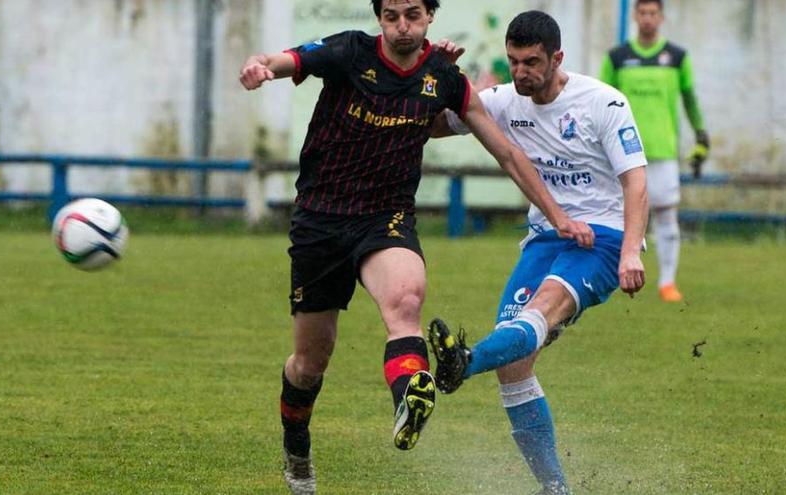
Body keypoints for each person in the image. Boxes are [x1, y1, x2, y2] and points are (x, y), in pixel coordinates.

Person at [238, 1, 588, 493]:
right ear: (379, 19)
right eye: (393, 15)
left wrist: (558, 216)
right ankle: (297, 446)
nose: (403, 25)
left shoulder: (444, 78)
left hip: (386, 218)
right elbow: (287, 61)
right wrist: (261, 67)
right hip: (321, 219)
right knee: (309, 363)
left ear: (429, 17)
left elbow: (507, 153)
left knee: (405, 302)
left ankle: (409, 401)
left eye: (413, 14)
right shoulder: (348, 52)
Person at [428, 11, 648, 495]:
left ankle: (462, 361)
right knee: (514, 364)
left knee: (542, 310)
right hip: (545, 236)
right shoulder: (506, 100)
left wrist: (631, 252)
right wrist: (434, 74)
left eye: (531, 62)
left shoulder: (602, 103)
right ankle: (555, 488)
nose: (520, 72)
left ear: (557, 58)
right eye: (513, 62)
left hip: (604, 238)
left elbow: (635, 182)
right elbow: (432, 126)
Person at [599, 0, 709, 303]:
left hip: (662, 150)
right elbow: (599, 102)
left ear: (661, 17)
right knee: (619, 216)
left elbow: (690, 100)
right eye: (642, 13)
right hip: (621, 152)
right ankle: (619, 273)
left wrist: (701, 135)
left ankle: (667, 282)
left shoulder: (676, 57)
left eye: (653, 14)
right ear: (635, 16)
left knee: (665, 214)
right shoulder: (618, 57)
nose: (647, 19)